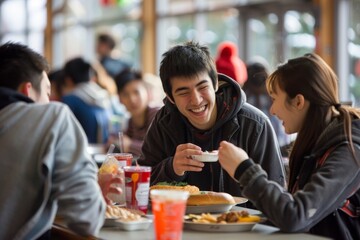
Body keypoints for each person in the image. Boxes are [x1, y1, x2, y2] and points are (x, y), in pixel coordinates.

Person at [218, 53, 360, 239]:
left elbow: (295, 216)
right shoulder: (316, 141)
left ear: (299, 101)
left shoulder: (349, 150)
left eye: (275, 99)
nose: (272, 110)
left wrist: (244, 170)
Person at [138, 41, 285, 198]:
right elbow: (140, 186)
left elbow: (276, 196)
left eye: (202, 87)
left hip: (244, 221)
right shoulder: (163, 123)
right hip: (179, 220)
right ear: (171, 98)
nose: (196, 100)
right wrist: (171, 168)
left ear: (215, 83)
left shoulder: (255, 125)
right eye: (183, 92)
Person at [0, 42, 111, 239]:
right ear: (27, 90)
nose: (50, 100)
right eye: (47, 92)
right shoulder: (52, 117)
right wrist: (93, 191)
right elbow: (86, 219)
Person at [62, 57, 112, 144]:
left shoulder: (70, 100)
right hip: (105, 150)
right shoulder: (103, 95)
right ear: (91, 77)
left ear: (68, 80)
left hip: (83, 151)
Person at [114, 68, 160, 157]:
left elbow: (158, 150)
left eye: (136, 92)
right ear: (119, 99)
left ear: (147, 93)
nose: (132, 99)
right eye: (125, 94)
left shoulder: (157, 115)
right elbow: (122, 142)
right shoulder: (132, 122)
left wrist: (130, 145)